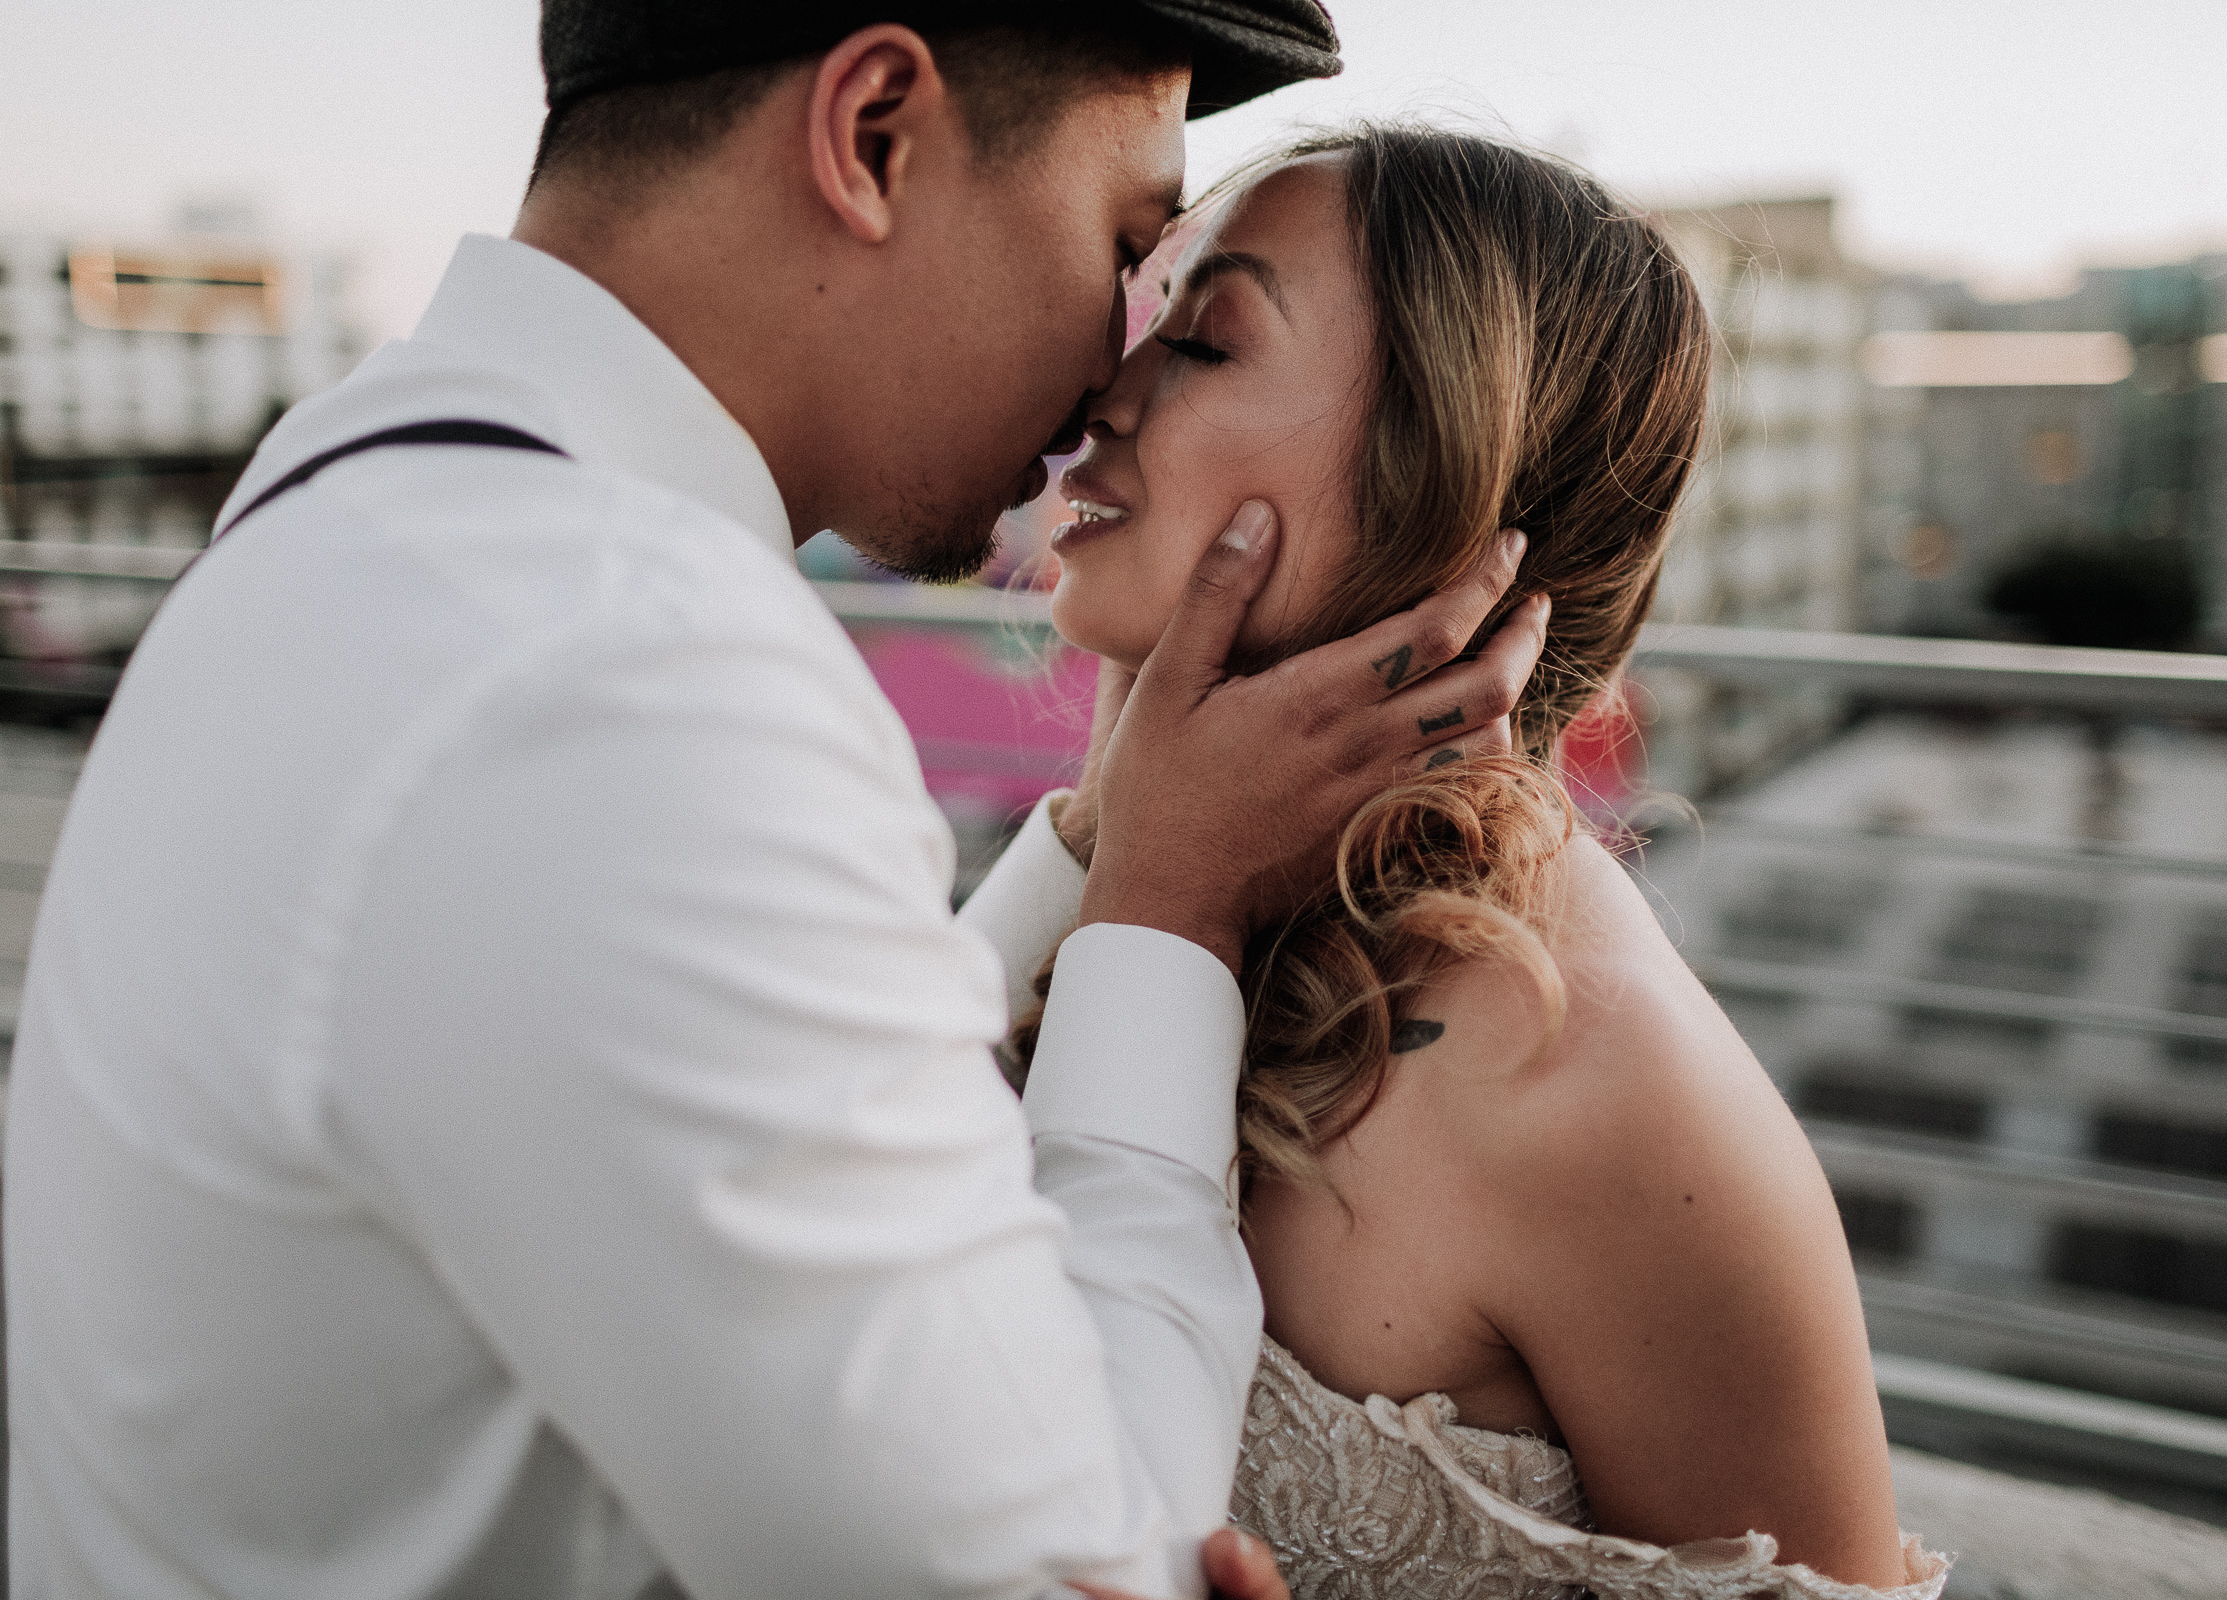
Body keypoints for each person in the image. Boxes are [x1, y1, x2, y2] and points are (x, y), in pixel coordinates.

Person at [2, 8, 1554, 1598]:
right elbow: (1091, 1562)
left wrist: (1102, 848)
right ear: (874, 133)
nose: (1113, 360)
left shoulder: (359, 496)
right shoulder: (621, 673)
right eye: (1121, 241)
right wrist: (1171, 912)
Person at [991, 128, 1953, 1597]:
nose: (1098, 394)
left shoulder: (1595, 1082)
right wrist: (1118, 831)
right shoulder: (1135, 887)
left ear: (1439, 470)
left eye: (1202, 341)